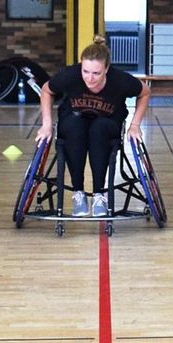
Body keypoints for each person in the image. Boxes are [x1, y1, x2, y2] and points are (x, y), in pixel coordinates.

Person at [35, 35, 151, 217]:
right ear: (81, 65)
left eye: (96, 73)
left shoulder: (120, 80)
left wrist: (135, 125)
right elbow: (46, 90)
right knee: (75, 126)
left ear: (106, 69)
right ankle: (78, 192)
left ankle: (99, 194)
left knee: (99, 128)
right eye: (86, 71)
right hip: (74, 119)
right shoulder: (70, 75)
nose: (89, 78)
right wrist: (47, 124)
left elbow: (145, 92)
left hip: (107, 122)